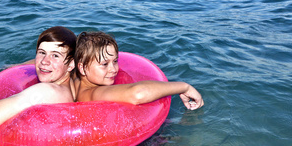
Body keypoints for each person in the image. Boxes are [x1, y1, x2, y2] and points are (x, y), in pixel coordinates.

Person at [0, 26, 77, 139]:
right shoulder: (76, 82)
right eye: (42, 52)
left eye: (55, 55)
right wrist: (19, 66)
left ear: (71, 63)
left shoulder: (47, 92)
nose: (44, 61)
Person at [74, 31, 204, 109]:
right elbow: (138, 94)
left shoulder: (75, 80)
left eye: (115, 61)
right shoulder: (94, 93)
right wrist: (184, 87)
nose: (113, 69)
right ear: (82, 68)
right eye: (104, 64)